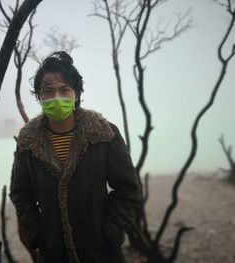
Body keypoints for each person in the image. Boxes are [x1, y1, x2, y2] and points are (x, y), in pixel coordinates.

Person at [10, 51, 142, 263]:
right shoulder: (28, 141)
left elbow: (128, 188)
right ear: (39, 96)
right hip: (52, 253)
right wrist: (38, 234)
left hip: (102, 254)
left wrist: (111, 232)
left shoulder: (104, 134)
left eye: (65, 90)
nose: (57, 97)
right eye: (48, 91)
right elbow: (21, 194)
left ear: (77, 94)